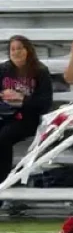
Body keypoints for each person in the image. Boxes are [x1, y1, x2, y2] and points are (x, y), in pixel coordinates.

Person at [0, 35, 53, 180]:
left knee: (3, 137)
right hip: (5, 114)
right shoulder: (3, 69)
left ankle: (3, 181)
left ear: (28, 50)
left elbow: (45, 103)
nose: (16, 52)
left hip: (28, 118)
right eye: (13, 49)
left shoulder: (40, 71)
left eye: (20, 48)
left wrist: (23, 99)